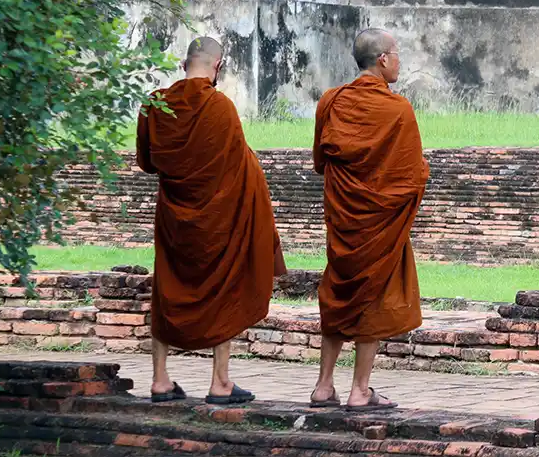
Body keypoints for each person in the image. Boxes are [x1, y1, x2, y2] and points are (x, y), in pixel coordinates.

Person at [136, 36, 286, 405]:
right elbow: (238, 165)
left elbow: (146, 162)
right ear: (218, 66)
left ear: (185, 63)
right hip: (218, 217)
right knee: (224, 287)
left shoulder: (154, 104)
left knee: (166, 289)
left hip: (174, 217)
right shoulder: (219, 107)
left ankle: (159, 380)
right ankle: (220, 382)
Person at [308, 28, 430, 411]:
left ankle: (323, 387)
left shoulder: (330, 102)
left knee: (338, 294)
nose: (399, 61)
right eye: (396, 54)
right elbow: (413, 175)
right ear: (382, 59)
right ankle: (360, 390)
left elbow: (320, 163)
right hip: (378, 225)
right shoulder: (397, 110)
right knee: (372, 298)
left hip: (345, 223)